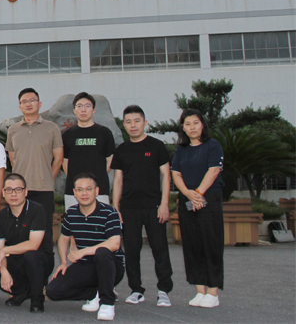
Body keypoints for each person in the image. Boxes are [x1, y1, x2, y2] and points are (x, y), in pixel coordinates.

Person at [112, 105, 173, 307]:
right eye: (128, 122)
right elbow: (118, 180)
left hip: (154, 206)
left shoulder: (157, 146)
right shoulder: (121, 150)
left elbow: (166, 176)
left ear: (145, 123)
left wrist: (164, 204)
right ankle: (136, 289)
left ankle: (164, 290)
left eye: (137, 121)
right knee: (131, 250)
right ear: (124, 125)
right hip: (129, 208)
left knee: (159, 248)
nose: (133, 125)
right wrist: (115, 207)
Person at [47, 172, 125, 322]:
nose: (84, 193)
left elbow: (115, 243)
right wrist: (63, 263)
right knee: (53, 291)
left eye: (89, 189)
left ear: (97, 191)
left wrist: (82, 252)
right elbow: (63, 239)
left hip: (111, 266)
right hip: (85, 265)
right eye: (80, 189)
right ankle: (94, 293)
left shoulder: (109, 212)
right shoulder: (71, 213)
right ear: (74, 192)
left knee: (102, 252)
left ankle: (107, 303)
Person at [171, 108, 224, 309]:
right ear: (183, 128)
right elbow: (176, 173)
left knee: (211, 244)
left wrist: (198, 193)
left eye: (195, 123)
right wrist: (188, 193)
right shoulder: (181, 149)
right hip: (187, 198)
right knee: (192, 245)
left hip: (208, 198)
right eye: (187, 124)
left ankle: (213, 291)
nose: (192, 127)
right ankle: (200, 290)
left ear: (202, 124)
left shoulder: (213, 145)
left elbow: (214, 170)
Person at [5, 88, 63, 253]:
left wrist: (48, 178)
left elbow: (58, 158)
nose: (28, 104)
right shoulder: (13, 130)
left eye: (32, 100)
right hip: (19, 191)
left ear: (40, 104)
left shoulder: (51, 128)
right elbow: (13, 159)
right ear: (20, 106)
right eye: (24, 101)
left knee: (44, 233)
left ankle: (44, 267)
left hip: (43, 189)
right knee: (19, 232)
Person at [0, 173, 54, 312]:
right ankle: (23, 292)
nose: (13, 194)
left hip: (40, 260)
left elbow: (33, 245)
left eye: (18, 189)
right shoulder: (1, 216)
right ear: (3, 193)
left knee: (31, 256)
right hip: (15, 260)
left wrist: (5, 250)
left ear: (26, 192)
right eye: (9, 190)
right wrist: (4, 271)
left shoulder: (37, 210)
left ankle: (37, 298)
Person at [62, 92, 115, 209]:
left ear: (93, 110)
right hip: (74, 191)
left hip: (99, 190)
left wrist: (97, 176)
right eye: (79, 106)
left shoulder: (104, 133)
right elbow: (65, 162)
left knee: (101, 219)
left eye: (87, 106)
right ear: (74, 110)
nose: (83, 109)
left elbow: (110, 160)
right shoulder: (67, 134)